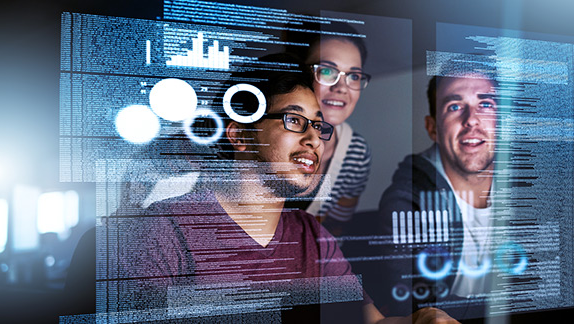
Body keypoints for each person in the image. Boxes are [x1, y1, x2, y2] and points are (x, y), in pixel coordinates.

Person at [106, 54, 457, 324]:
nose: (313, 139)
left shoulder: (311, 235)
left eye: (319, 127)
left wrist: (419, 319)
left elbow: (368, 321)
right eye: (294, 119)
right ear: (241, 135)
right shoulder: (160, 233)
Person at [377, 57, 500, 319]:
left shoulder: (532, 188)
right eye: (455, 106)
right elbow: (412, 306)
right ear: (432, 128)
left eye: (485, 104)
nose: (472, 120)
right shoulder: (405, 202)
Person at [286, 23, 372, 236]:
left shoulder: (356, 152)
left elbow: (336, 229)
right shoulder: (263, 136)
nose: (341, 87)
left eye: (353, 76)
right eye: (326, 71)